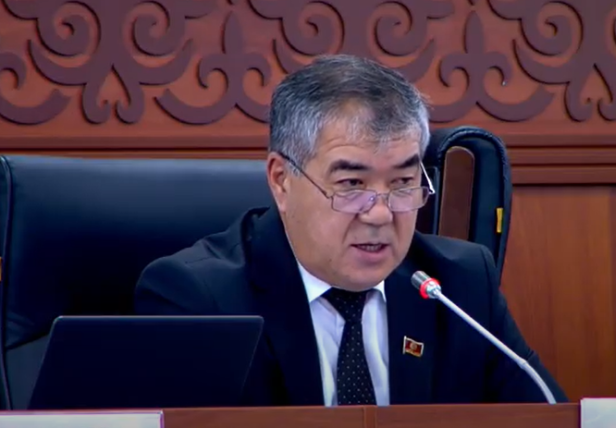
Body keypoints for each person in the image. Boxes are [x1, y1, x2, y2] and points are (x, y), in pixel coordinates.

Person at [133, 54, 567, 406]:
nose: (379, 215)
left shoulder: (459, 284)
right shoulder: (198, 299)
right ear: (282, 180)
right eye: (352, 184)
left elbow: (548, 414)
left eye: (403, 182)